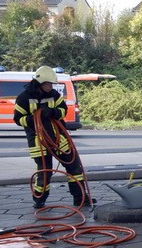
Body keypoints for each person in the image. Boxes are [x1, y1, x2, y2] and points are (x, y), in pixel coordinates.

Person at [13, 66, 89, 209]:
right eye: (48, 84)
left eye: (52, 84)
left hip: (59, 139)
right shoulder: (24, 98)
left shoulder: (54, 95)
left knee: (74, 168)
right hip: (39, 141)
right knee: (45, 172)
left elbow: (63, 110)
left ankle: (80, 198)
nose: (51, 87)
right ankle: (39, 199)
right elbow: (18, 119)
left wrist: (53, 112)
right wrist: (32, 119)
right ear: (40, 82)